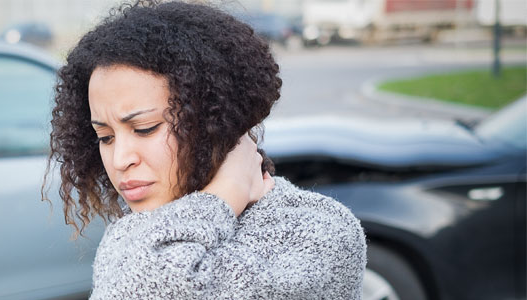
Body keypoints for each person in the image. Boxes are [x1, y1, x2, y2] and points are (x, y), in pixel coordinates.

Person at [45, 1, 366, 299]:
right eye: (105, 137)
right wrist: (229, 190)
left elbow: (151, 280)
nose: (120, 159)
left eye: (145, 129)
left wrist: (221, 197)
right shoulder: (141, 229)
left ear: (215, 116)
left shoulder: (320, 228)